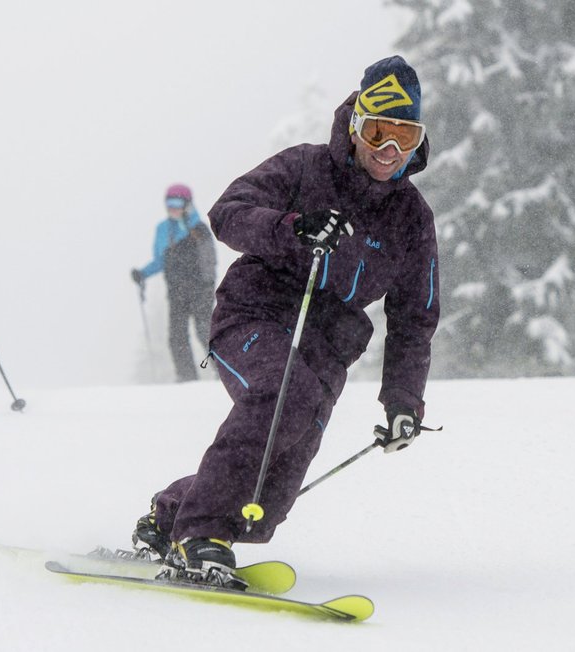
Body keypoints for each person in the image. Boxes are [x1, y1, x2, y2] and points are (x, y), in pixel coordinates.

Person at [130, 56, 440, 587]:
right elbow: (229, 211)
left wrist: (403, 402)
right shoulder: (304, 168)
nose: (389, 151)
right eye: (378, 133)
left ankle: (170, 516)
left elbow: (414, 318)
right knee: (283, 398)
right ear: (354, 127)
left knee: (271, 499)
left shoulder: (412, 218)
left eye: (404, 137)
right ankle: (197, 534)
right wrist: (292, 228)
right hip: (254, 315)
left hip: (327, 349)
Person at [131, 184, 217, 382]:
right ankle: (186, 377)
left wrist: (207, 286)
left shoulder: (199, 228)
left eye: (177, 203)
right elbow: (160, 260)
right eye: (169, 203)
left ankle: (223, 370)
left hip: (200, 289)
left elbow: (209, 261)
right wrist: (143, 274)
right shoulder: (163, 230)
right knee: (177, 335)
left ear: (187, 204)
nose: (173, 208)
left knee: (204, 331)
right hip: (176, 290)